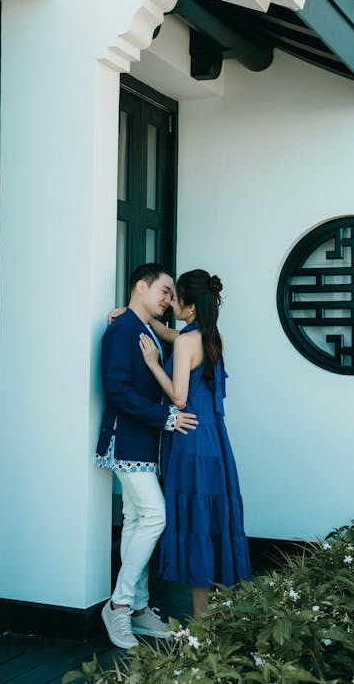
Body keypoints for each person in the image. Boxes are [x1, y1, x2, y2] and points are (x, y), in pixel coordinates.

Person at [95, 263, 198, 649]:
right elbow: (117, 390)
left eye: (172, 295)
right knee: (155, 515)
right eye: (164, 292)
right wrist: (167, 417)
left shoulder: (139, 328)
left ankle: (137, 608)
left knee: (138, 517)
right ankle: (119, 604)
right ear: (141, 286)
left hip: (144, 441)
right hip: (126, 439)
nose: (169, 301)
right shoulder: (121, 330)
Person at [138, 269, 251, 618]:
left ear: (188, 304)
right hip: (214, 441)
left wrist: (154, 364)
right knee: (211, 522)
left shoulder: (187, 341)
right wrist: (148, 324)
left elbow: (179, 397)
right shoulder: (209, 335)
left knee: (196, 523)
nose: (170, 302)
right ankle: (215, 618)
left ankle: (202, 623)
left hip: (190, 440)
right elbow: (176, 334)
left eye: (174, 297)